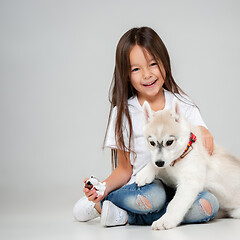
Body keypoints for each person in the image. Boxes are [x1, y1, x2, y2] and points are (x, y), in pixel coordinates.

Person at [73, 27, 219, 227]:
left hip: (181, 184)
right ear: (126, 75)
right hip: (146, 187)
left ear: (164, 63)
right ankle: (101, 204)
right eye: (136, 69)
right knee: (155, 197)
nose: (147, 74)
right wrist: (103, 188)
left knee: (208, 204)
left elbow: (202, 140)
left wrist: (205, 132)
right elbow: (124, 169)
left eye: (153, 64)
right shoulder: (124, 113)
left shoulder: (182, 105)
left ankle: (126, 215)